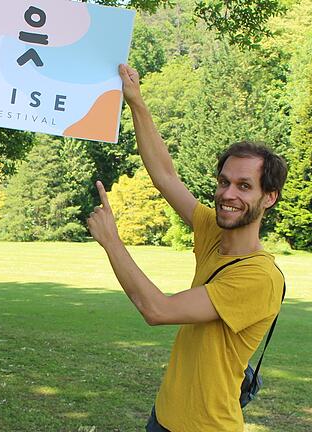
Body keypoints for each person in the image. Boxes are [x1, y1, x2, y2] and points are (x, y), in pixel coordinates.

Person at [86, 64, 288, 432]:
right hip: (164, 416)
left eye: (244, 186)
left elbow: (157, 309)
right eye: (224, 182)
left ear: (269, 197)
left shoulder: (258, 277)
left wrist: (112, 242)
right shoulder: (213, 231)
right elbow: (165, 176)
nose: (228, 194)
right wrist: (136, 102)